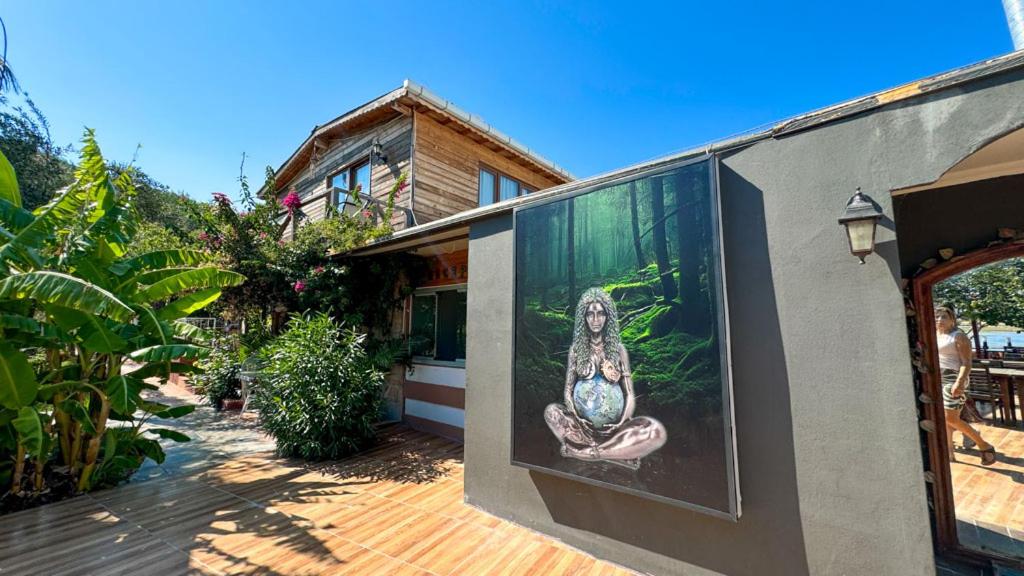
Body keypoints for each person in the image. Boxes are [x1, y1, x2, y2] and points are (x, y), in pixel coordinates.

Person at [544, 287, 667, 470]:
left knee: (655, 431)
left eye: (601, 313)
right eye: (590, 314)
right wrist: (576, 416)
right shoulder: (576, 351)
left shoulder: (618, 350)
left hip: (616, 429)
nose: (596, 319)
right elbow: (568, 391)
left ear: (608, 317)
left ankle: (588, 452)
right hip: (582, 428)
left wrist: (622, 421)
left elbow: (629, 394)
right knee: (552, 412)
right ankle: (615, 454)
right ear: (584, 318)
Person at [935, 305, 996, 465]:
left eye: (944, 317)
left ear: (952, 319)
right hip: (938, 378)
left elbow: (967, 362)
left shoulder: (958, 336)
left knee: (950, 418)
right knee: (946, 419)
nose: (940, 320)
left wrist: (960, 382)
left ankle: (984, 445)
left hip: (953, 378)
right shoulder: (935, 335)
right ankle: (950, 453)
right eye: (937, 316)